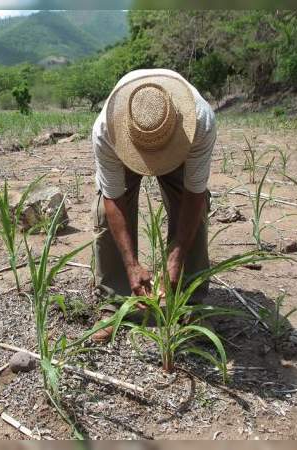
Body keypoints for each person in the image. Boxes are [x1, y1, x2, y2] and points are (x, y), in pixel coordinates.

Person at [90, 68, 217, 343]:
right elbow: (114, 199)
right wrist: (131, 264)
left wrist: (175, 259)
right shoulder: (106, 130)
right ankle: (115, 304)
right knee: (103, 212)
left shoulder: (200, 122)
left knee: (197, 211)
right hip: (123, 146)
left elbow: (194, 195)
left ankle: (191, 301)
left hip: (182, 141)